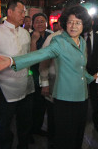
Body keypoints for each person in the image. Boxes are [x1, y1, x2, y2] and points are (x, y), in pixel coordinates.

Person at [0, 5, 98, 149]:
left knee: (78, 136)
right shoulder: (59, 42)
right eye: (70, 22)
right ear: (65, 23)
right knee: (65, 139)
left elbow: (79, 68)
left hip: (82, 98)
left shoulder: (82, 42)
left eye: (78, 22)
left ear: (84, 25)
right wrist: (12, 61)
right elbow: (39, 55)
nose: (73, 26)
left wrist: (91, 77)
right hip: (65, 99)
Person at [0, 0, 34, 149]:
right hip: (4, 88)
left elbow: (27, 57)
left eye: (24, 12)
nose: (24, 15)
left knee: (24, 123)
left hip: (25, 86)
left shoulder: (25, 34)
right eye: (21, 11)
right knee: (4, 126)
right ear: (9, 12)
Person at [39, 19, 63, 148]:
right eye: (70, 21)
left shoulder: (78, 39)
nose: (73, 25)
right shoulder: (53, 38)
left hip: (70, 88)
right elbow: (43, 62)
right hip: (54, 83)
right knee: (53, 118)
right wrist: (45, 83)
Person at [30, 13, 51, 136]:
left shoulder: (51, 36)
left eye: (42, 21)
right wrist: (34, 41)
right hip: (33, 76)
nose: (40, 24)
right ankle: (30, 132)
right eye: (37, 21)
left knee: (43, 106)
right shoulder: (28, 36)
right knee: (33, 106)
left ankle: (37, 128)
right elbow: (32, 59)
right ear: (33, 24)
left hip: (48, 75)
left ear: (46, 23)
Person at [83, 20, 98, 134]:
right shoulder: (77, 37)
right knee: (82, 99)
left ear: (92, 21)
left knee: (97, 101)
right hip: (81, 74)